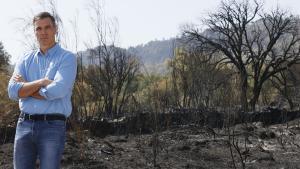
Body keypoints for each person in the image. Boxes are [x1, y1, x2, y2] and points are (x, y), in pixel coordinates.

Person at [7, 11, 77, 169]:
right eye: (38, 28)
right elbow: (12, 91)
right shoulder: (25, 59)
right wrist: (42, 82)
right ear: (34, 32)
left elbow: (57, 90)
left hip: (52, 125)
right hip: (24, 124)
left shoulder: (67, 58)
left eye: (47, 27)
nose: (43, 32)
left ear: (55, 29)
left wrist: (26, 86)